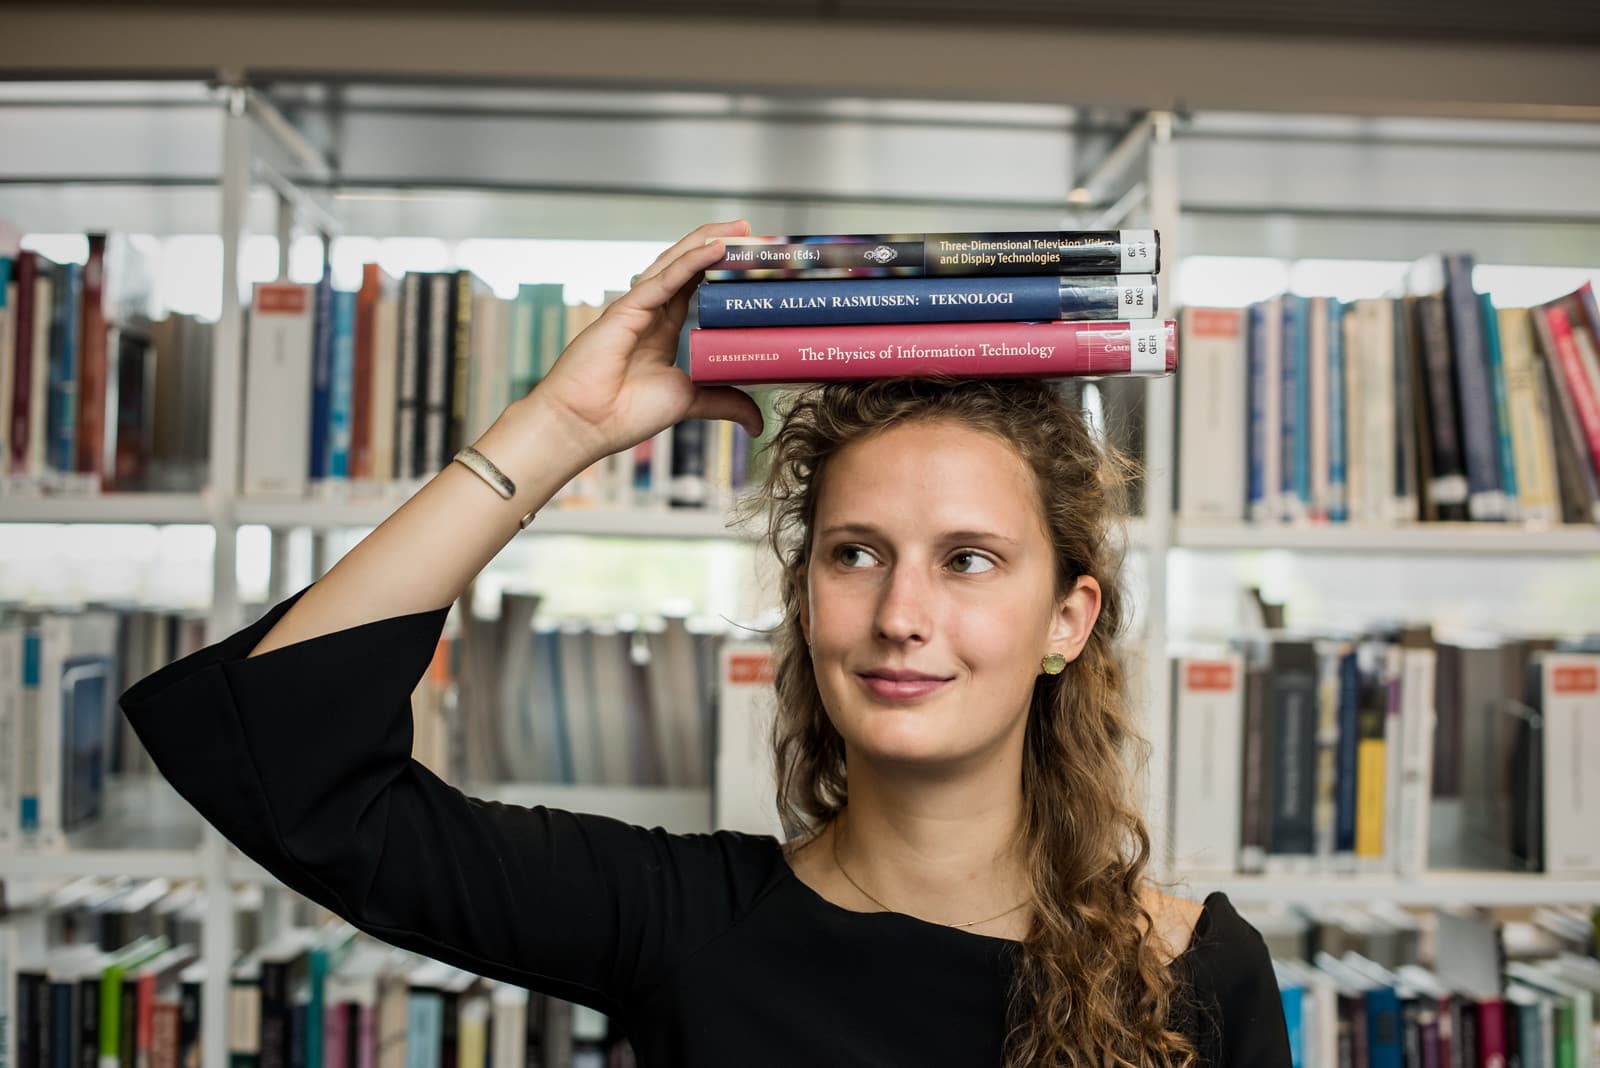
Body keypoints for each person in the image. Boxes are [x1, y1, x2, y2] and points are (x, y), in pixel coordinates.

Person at [121, 221, 1292, 1067]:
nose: (899, 615)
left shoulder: (1202, 975)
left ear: (1066, 619)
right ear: (804, 596)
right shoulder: (677, 919)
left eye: (969, 560)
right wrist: (557, 427)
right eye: (855, 553)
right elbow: (279, 758)